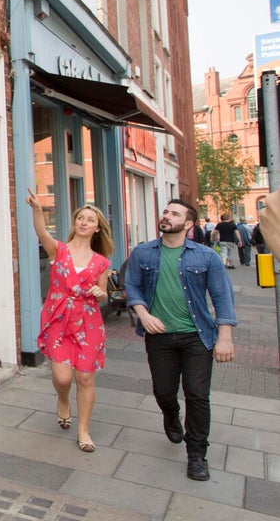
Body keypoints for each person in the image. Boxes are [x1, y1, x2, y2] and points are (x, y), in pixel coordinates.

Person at [123, 199, 236, 482]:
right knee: (163, 390)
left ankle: (197, 454)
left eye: (174, 214)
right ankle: (171, 413)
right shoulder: (142, 253)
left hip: (197, 336)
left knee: (197, 395)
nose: (166, 216)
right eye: (165, 211)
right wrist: (143, 314)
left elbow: (222, 297)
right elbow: (132, 285)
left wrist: (225, 337)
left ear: (188, 224)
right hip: (159, 336)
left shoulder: (206, 256)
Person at [25, 189, 114, 453]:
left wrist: (100, 293)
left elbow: (103, 293)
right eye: (81, 218)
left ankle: (83, 430)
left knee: (85, 377)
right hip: (58, 318)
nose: (84, 222)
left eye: (90, 220)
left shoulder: (101, 262)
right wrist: (37, 210)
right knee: (63, 378)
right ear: (75, 223)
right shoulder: (59, 251)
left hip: (88, 322)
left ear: (97, 228)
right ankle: (63, 400)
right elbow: (42, 232)